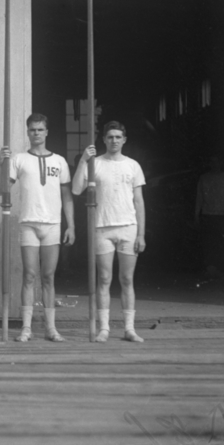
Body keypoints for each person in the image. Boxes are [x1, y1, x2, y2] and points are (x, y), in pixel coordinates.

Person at [0, 113, 75, 343]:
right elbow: (3, 189)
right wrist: (3, 163)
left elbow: (67, 195)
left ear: (47, 132)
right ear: (27, 132)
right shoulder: (19, 159)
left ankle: (51, 328)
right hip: (29, 223)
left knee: (48, 276)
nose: (36, 134)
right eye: (32, 130)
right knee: (30, 275)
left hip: (52, 223)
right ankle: (27, 328)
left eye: (40, 129)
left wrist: (71, 225)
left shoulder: (59, 161)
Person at [72, 121, 146, 343]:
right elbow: (76, 189)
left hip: (128, 227)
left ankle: (129, 329)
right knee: (103, 278)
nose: (114, 140)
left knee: (126, 278)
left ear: (124, 140)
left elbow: (139, 201)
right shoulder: (96, 164)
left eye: (118, 137)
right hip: (102, 228)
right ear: (103, 139)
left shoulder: (133, 165)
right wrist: (84, 160)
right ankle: (104, 328)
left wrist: (141, 234)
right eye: (110, 137)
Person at [195, 155, 224, 278]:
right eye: (212, 162)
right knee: (209, 242)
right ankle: (210, 268)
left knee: (221, 242)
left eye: (217, 162)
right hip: (207, 215)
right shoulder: (204, 178)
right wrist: (196, 215)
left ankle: (220, 268)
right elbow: (199, 198)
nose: (215, 164)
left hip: (222, 215)